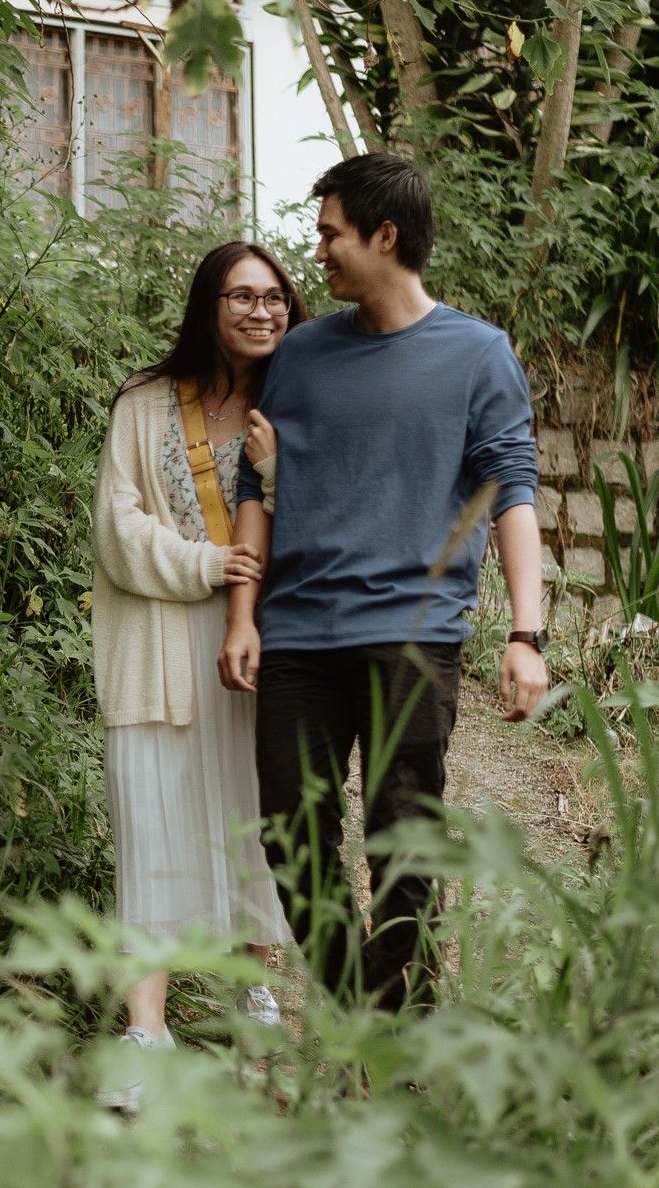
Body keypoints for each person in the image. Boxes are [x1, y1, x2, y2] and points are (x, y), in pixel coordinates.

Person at [220, 154, 549, 1014]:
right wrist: (243, 615)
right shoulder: (299, 354)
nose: (318, 251)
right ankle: (374, 1011)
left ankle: (393, 1040)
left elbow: (512, 490)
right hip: (297, 637)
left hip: (413, 635)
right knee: (293, 840)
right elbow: (256, 486)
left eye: (331, 233)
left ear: (385, 235)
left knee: (404, 844)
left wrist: (526, 632)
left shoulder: (479, 355)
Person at [88, 241, 305, 1103]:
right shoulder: (143, 405)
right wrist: (212, 564)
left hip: (261, 651)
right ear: (208, 307)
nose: (261, 311)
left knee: (255, 820)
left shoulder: (301, 401)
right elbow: (117, 527)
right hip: (155, 652)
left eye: (275, 296)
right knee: (150, 825)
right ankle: (146, 1030)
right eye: (240, 296)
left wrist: (281, 466)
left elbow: (329, 519)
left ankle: (258, 996)